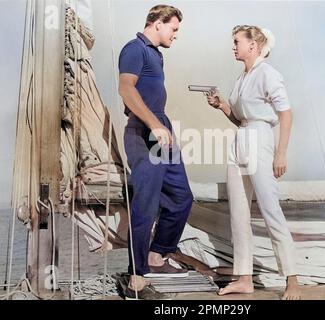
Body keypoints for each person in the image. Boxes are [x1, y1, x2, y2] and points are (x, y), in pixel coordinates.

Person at [206, 25, 301, 300]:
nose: (233, 46)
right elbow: (240, 119)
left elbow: (286, 114)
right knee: (238, 213)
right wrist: (223, 105)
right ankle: (244, 278)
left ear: (254, 46)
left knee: (271, 210)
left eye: (237, 42)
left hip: (260, 140)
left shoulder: (269, 74)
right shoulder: (241, 77)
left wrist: (280, 153)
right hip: (241, 139)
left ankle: (292, 280)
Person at [118, 5, 193, 297]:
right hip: (144, 129)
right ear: (157, 23)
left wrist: (162, 126)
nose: (176, 35)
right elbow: (126, 89)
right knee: (146, 202)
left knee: (181, 196)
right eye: (173, 28)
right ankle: (138, 272)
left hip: (161, 127)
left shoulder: (156, 54)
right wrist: (153, 124)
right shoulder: (134, 48)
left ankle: (156, 255)